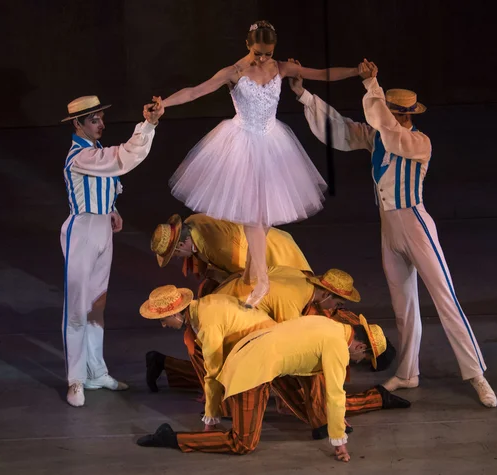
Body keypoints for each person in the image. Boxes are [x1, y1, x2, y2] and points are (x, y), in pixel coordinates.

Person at [288, 58, 497, 407]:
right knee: (403, 305)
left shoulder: (418, 142)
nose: (388, 115)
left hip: (416, 225)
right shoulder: (378, 136)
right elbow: (340, 129)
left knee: (446, 300)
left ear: (405, 115)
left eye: (392, 112)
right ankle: (407, 372)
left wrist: (373, 89)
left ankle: (477, 374)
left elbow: (389, 131)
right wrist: (304, 96)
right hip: (389, 230)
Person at [157, 20, 362, 308]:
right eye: (257, 52)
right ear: (247, 44)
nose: (262, 58)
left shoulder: (280, 68)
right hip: (242, 142)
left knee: (263, 219)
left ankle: (252, 274)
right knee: (253, 216)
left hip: (272, 143)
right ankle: (262, 281)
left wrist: (356, 71)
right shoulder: (234, 72)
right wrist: (164, 103)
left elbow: (322, 74)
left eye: (267, 53)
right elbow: (195, 91)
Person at [137, 314, 408, 463]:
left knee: (305, 383)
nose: (357, 364)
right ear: (360, 347)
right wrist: (339, 441)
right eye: (362, 360)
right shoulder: (337, 347)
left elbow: (298, 366)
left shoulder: (328, 326)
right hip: (251, 369)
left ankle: (322, 422)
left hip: (252, 356)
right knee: (242, 443)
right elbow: (334, 395)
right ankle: (172, 438)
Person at [60, 95, 163, 407]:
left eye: (101, 118)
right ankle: (75, 379)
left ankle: (96, 371)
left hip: (103, 228)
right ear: (78, 124)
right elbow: (122, 159)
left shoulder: (95, 151)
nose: (101, 124)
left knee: (97, 305)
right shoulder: (80, 157)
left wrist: (112, 209)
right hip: (82, 232)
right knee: (77, 307)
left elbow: (107, 181)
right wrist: (148, 125)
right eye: (94, 120)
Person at [140, 285, 275, 424]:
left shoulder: (207, 324)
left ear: (174, 314)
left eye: (163, 320)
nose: (163, 325)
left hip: (263, 345)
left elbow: (214, 372)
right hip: (249, 343)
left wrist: (211, 416)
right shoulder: (201, 308)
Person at [150, 213, 312, 296]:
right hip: (253, 242)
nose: (179, 258)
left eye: (175, 253)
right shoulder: (192, 222)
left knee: (289, 288)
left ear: (181, 244)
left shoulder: (219, 248)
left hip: (272, 250)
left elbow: (247, 273)